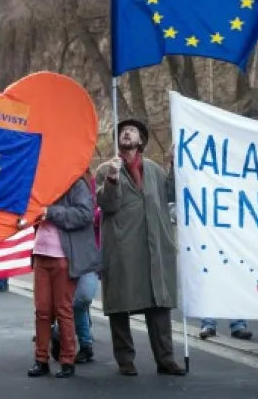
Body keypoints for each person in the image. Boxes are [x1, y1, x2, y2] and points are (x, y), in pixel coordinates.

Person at [95, 118, 185, 376]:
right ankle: (125, 359)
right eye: (123, 131)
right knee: (120, 303)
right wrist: (112, 178)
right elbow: (107, 205)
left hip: (154, 246)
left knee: (158, 304)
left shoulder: (154, 170)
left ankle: (166, 359)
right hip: (123, 247)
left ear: (141, 141)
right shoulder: (106, 169)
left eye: (132, 131)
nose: (127, 133)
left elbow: (170, 195)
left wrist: (176, 165)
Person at [27, 175, 102, 378]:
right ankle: (41, 360)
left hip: (64, 256)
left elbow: (85, 214)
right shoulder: (41, 183)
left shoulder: (76, 183)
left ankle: (67, 360)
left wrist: (50, 212)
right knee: (42, 310)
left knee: (63, 309)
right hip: (41, 253)